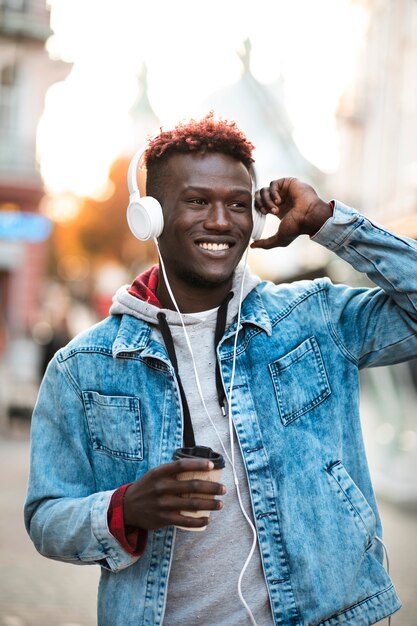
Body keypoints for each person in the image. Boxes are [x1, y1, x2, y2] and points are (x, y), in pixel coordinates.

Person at [25, 114, 417, 626]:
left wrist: (327, 221)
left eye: (237, 204)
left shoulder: (314, 317)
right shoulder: (82, 368)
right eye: (196, 201)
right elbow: (46, 516)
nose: (220, 220)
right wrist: (127, 507)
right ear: (150, 216)